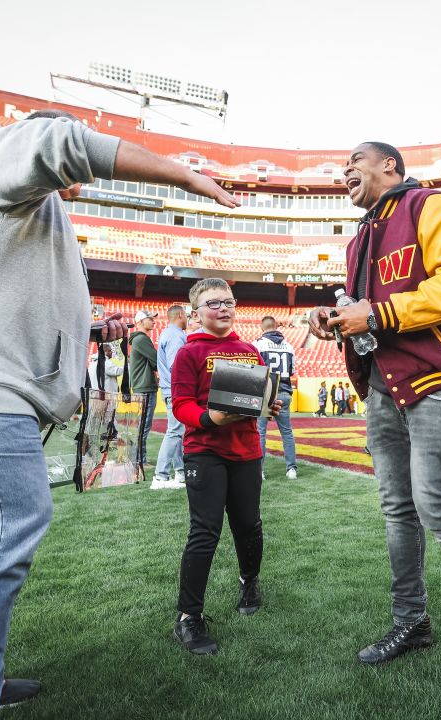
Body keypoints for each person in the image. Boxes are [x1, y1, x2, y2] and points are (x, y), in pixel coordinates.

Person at [0, 108, 238, 720]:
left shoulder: (22, 208)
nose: (80, 182)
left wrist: (90, 327)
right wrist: (180, 174)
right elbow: (56, 139)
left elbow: (1, 295)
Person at [308, 141, 441, 697]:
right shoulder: (359, 239)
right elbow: (366, 314)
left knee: (436, 506)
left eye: (355, 161)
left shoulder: (432, 207)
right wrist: (338, 319)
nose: (344, 171)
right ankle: (411, 620)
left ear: (389, 165)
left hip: (435, 381)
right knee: (397, 509)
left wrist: (377, 312)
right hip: (381, 385)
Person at [169, 278, 282, 655]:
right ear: (197, 313)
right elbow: (181, 404)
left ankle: (249, 581)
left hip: (247, 450)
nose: (224, 308)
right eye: (214, 303)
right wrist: (208, 419)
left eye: (229, 302)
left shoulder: (250, 350)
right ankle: (188, 617)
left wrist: (270, 405)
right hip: (205, 450)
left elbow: (260, 397)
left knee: (249, 524)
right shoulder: (189, 353)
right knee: (205, 532)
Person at [254, 315, 299, 480]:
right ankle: (291, 469)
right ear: (276, 326)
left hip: (265, 391)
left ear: (262, 327)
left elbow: (254, 369)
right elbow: (292, 371)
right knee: (286, 432)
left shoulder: (258, 344)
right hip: (284, 391)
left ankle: (259, 471)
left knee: (260, 433)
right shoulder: (289, 346)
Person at [153, 304, 189, 489]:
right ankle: (161, 476)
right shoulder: (175, 335)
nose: (188, 319)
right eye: (187, 316)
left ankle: (180, 473)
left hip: (169, 389)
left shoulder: (169, 333)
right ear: (181, 314)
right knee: (175, 432)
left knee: (177, 431)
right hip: (175, 390)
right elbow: (177, 365)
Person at [129, 310, 159, 469]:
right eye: (150, 319)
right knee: (143, 426)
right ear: (140, 321)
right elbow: (156, 360)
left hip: (142, 386)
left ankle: (137, 459)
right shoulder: (141, 339)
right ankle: (140, 460)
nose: (154, 322)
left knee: (141, 426)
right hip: (145, 387)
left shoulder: (139, 339)